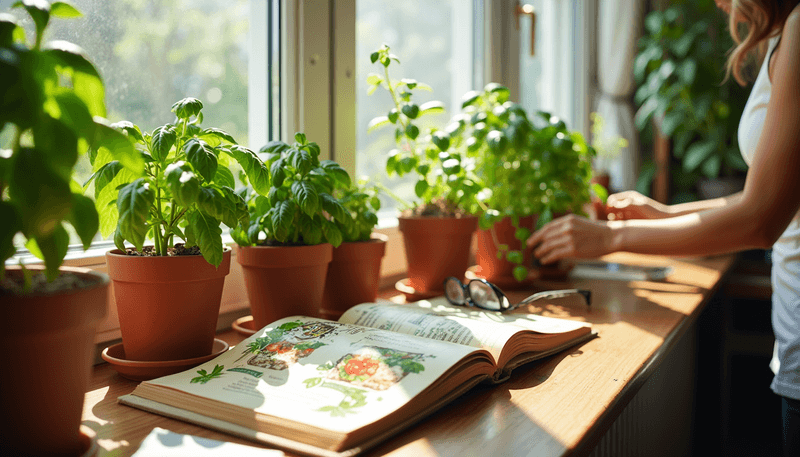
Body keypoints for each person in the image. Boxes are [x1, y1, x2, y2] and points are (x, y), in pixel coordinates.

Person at [526, 1, 800, 455]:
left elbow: (761, 220)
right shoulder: (783, 34)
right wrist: (665, 214)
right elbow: (769, 192)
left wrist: (612, 239)